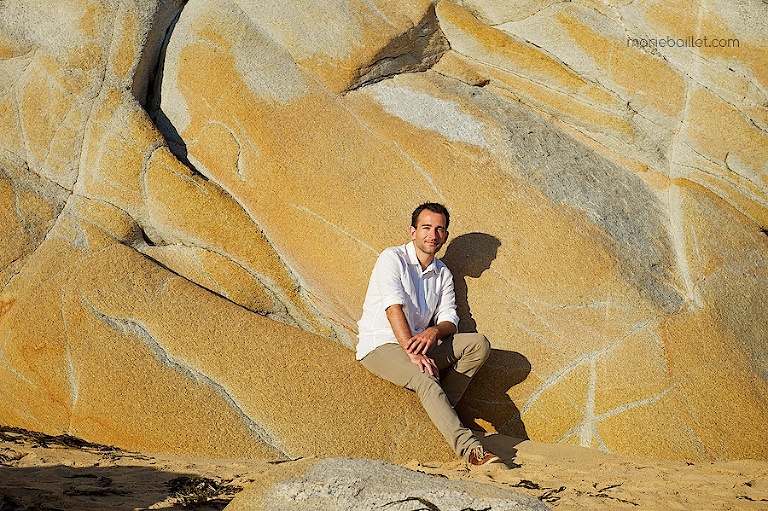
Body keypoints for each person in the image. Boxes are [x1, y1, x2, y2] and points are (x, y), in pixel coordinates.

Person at [356, 202, 501, 467]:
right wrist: (411, 352)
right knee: (424, 376)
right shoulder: (392, 258)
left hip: (421, 343)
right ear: (412, 232)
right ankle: (470, 450)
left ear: (445, 236)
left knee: (478, 344)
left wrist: (434, 331)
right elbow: (393, 308)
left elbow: (450, 321)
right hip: (382, 345)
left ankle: (440, 408)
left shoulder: (443, 273)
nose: (432, 235)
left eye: (439, 229)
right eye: (426, 227)